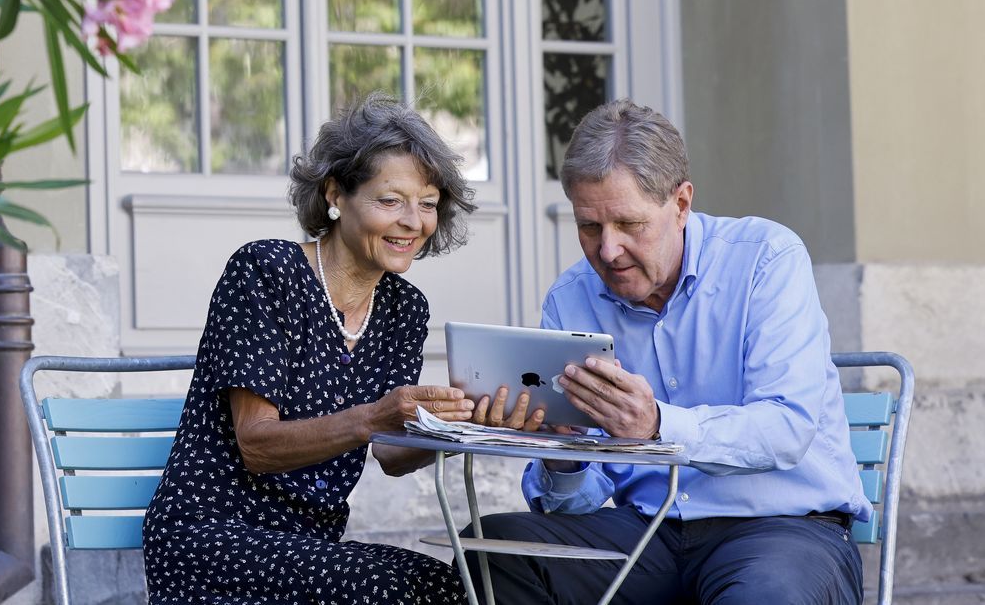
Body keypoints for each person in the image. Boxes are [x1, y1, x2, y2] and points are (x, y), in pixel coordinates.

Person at [142, 95, 544, 605]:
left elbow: (393, 454)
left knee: (458, 584)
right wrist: (373, 417)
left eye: (427, 203)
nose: (413, 222)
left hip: (308, 547)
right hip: (212, 536)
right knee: (396, 590)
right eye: (390, 200)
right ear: (336, 195)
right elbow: (257, 445)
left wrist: (473, 424)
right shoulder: (265, 272)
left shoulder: (404, 309)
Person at [469, 100, 869, 605]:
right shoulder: (569, 299)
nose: (608, 251)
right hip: (647, 532)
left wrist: (656, 424)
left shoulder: (766, 258)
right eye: (589, 226)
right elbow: (578, 505)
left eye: (628, 224)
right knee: (492, 553)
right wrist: (564, 454)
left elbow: (786, 427)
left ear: (681, 204)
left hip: (781, 529)